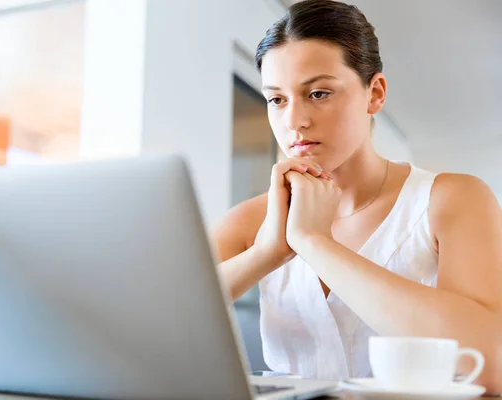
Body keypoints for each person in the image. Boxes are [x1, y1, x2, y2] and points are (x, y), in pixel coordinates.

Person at [213, 0, 502, 393]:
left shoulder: (452, 200)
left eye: (317, 93)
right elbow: (149, 323)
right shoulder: (249, 222)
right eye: (277, 99)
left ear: (375, 94)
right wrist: (264, 254)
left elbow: (490, 363)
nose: (294, 120)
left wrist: (314, 243)